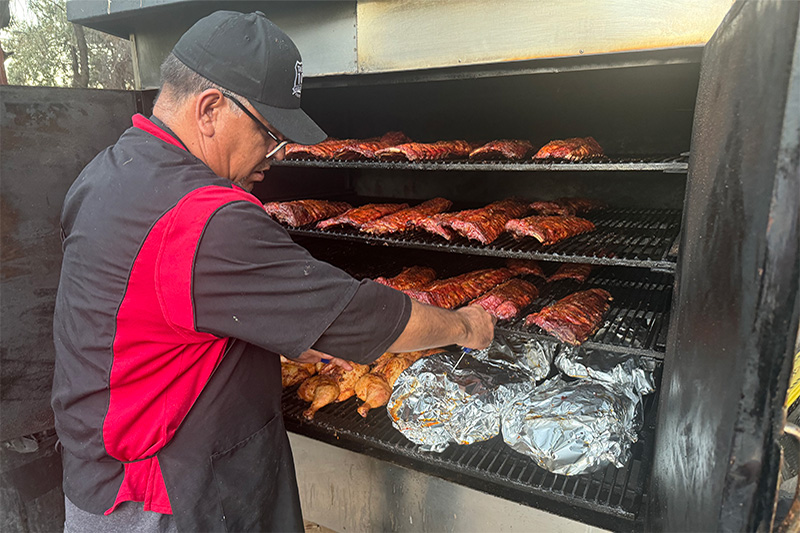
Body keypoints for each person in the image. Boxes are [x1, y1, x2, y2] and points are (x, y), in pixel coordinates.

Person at [51, 10, 495, 533]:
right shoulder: (206, 217)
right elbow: (356, 317)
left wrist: (283, 331)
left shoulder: (108, 171)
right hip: (166, 498)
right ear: (211, 108)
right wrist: (465, 326)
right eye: (269, 133)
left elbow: (160, 306)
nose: (276, 156)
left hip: (104, 477)